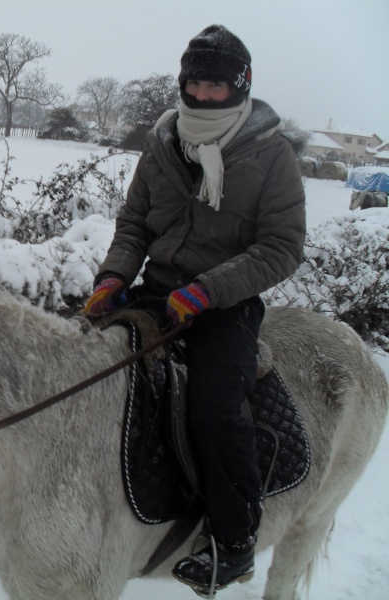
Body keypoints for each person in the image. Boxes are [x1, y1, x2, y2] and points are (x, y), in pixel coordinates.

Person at [82, 25, 306, 596]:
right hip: (156, 290)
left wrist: (209, 290)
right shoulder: (161, 141)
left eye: (215, 84)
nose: (202, 94)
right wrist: (112, 278)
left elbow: (281, 248)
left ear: (242, 84)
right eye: (194, 83)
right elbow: (134, 224)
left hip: (223, 304)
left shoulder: (271, 153)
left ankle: (234, 542)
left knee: (213, 407)